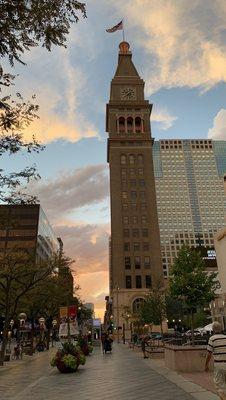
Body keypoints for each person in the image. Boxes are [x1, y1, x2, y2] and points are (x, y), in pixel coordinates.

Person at [205, 321, 226, 400]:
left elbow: (209, 354)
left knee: (219, 387)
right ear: (221, 329)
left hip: (219, 365)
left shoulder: (212, 339)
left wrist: (206, 365)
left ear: (213, 330)